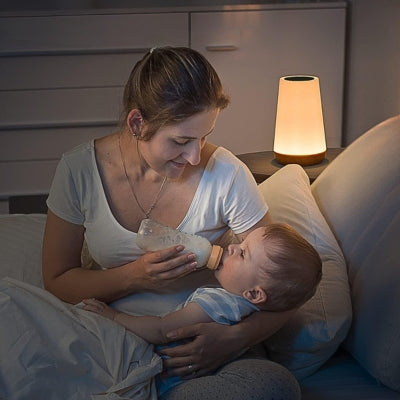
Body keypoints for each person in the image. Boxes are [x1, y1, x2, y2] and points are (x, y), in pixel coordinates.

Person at [42, 46, 301, 399]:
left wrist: (230, 339)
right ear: (138, 123)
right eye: (181, 141)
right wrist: (134, 277)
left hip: (208, 351)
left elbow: (280, 288)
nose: (195, 156)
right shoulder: (80, 170)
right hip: (112, 341)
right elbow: (57, 281)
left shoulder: (227, 174)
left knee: (274, 385)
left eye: (205, 137)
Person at [83, 223, 322, 397]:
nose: (231, 248)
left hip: (168, 381)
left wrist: (113, 316)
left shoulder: (220, 303)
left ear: (254, 294)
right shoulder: (247, 307)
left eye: (242, 253)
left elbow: (163, 329)